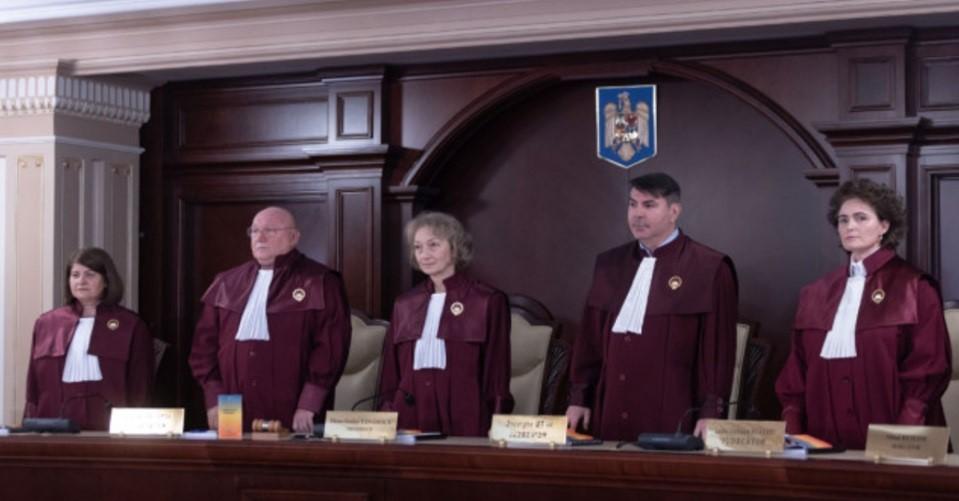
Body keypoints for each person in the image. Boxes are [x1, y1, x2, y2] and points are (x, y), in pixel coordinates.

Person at [776, 179, 951, 449]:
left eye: (861, 218)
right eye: (843, 220)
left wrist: (902, 437)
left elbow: (928, 367)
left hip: (896, 435)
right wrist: (793, 428)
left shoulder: (915, 287)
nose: (850, 226)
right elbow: (796, 370)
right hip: (820, 437)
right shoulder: (815, 293)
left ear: (884, 226)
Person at [566, 172, 738, 441]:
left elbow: (717, 350)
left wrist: (711, 412)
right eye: (632, 204)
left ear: (674, 211)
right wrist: (579, 398)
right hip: (610, 410)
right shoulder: (609, 264)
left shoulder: (710, 267)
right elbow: (589, 341)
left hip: (675, 413)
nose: (638, 214)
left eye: (649, 205)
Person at [190, 206, 351, 433]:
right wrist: (214, 397)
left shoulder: (321, 281)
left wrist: (309, 403)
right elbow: (203, 348)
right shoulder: (226, 282)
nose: (260, 238)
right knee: (234, 455)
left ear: (293, 237)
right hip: (230, 407)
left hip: (294, 409)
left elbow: (330, 349)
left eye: (271, 231)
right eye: (255, 231)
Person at [378, 212, 513, 436]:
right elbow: (391, 372)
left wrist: (497, 420)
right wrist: (386, 413)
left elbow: (496, 370)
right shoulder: (404, 303)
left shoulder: (487, 300)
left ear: (455, 248)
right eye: (418, 247)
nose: (424, 254)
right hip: (411, 410)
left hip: (466, 411)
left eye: (433, 245)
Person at [24, 247, 154, 430]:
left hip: (111, 426)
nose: (81, 281)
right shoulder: (46, 323)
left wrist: (136, 431)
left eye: (90, 274)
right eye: (75, 275)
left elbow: (140, 387)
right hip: (54, 424)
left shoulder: (131, 325)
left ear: (107, 280)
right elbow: (33, 387)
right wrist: (29, 428)